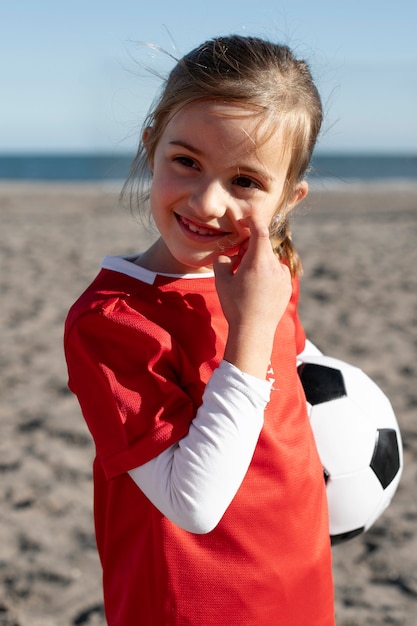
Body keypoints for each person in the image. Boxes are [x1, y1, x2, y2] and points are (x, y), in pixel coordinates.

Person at [64, 35, 335, 625]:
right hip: (193, 608)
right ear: (151, 147)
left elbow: (291, 374)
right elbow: (194, 503)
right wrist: (251, 329)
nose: (208, 202)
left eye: (245, 182)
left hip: (298, 585)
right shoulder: (112, 322)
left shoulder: (264, 273)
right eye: (186, 161)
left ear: (288, 199)